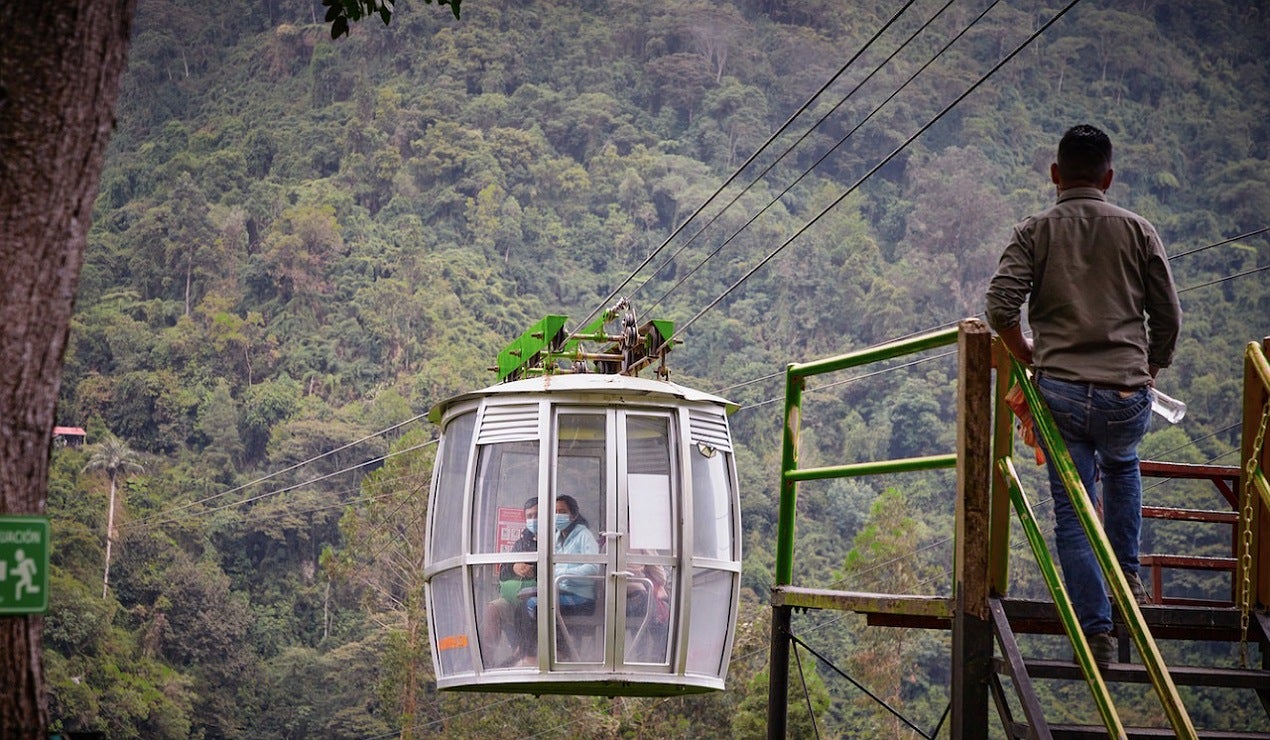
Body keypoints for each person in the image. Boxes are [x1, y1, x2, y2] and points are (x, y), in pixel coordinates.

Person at [985, 124, 1181, 667]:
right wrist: (1152, 365)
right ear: (1108, 177)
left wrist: (1025, 352)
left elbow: (1000, 309)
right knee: (1122, 467)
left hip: (1062, 393)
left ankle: (1095, 632)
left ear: (1055, 175)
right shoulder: (1139, 231)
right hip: (1126, 390)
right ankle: (1130, 583)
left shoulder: (1034, 231)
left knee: (1072, 512)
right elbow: (1168, 315)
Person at [521, 495, 601, 660]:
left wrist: (564, 574)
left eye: (562, 512)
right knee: (522, 607)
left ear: (574, 515)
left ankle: (546, 655)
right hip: (560, 592)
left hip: (580, 597)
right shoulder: (556, 537)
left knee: (536, 606)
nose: (558, 516)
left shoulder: (584, 535)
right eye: (555, 512)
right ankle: (532, 652)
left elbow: (594, 566)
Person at [482, 498, 537, 665]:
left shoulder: (555, 540)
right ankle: (487, 661)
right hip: (515, 597)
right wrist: (514, 567)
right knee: (493, 608)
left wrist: (534, 571)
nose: (533, 520)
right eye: (529, 516)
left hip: (538, 597)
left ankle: (523, 652)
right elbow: (503, 572)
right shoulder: (521, 542)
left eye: (537, 515)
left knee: (528, 604)